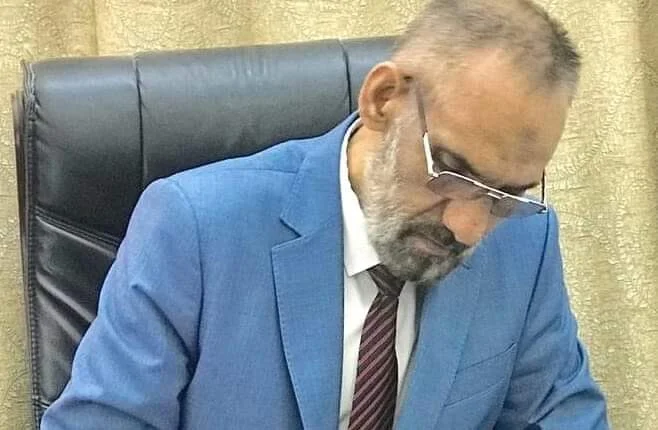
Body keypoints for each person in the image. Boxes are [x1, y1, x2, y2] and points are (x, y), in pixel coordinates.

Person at [41, 0, 609, 429]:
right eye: (453, 171)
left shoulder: (525, 244)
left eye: (504, 194)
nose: (468, 226)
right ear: (383, 99)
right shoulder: (194, 228)